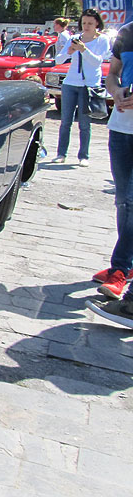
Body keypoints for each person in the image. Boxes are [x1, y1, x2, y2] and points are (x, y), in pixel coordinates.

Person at [86, 19, 133, 326]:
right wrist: (115, 91)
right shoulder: (127, 33)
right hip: (121, 128)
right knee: (124, 201)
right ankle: (122, 266)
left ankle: (121, 270)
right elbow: (112, 74)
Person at [50, 8, 110, 166]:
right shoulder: (74, 38)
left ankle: (84, 156)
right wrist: (69, 52)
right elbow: (59, 60)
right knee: (65, 121)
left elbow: (97, 62)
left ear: (97, 23)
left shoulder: (102, 40)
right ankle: (61, 153)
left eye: (90, 23)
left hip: (88, 85)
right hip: (71, 83)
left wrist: (84, 49)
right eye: (84, 23)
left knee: (84, 123)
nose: (87, 26)